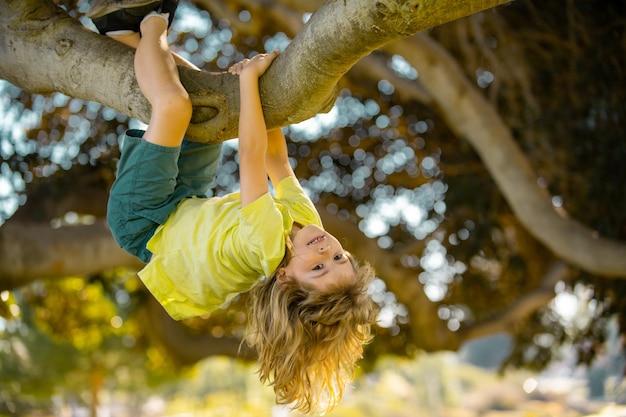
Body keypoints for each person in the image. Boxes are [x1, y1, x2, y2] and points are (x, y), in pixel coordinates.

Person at [88, 0, 378, 414]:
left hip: (144, 220)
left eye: (317, 266)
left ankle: (153, 19)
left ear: (283, 279)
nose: (324, 248)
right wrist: (265, 95)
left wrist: (248, 84)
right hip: (186, 201)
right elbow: (278, 162)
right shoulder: (305, 224)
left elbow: (253, 157)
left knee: (174, 106)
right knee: (205, 97)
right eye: (338, 256)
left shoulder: (265, 245)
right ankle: (121, 34)